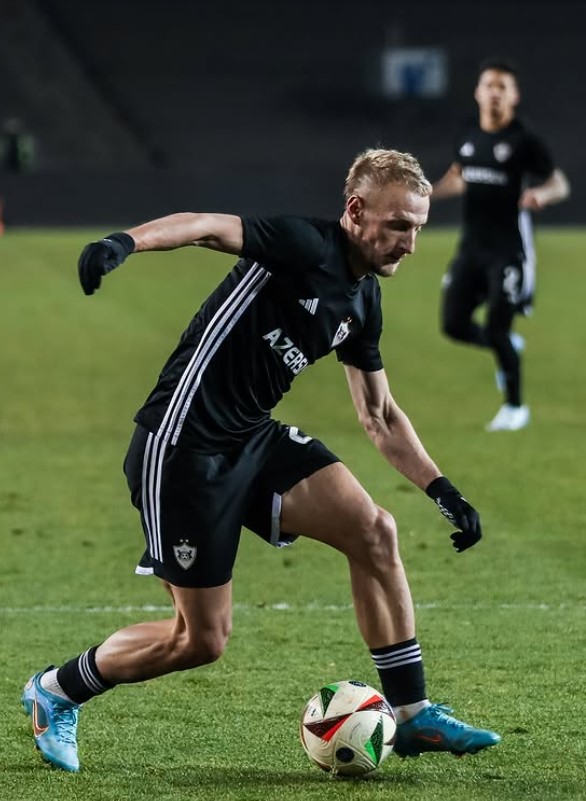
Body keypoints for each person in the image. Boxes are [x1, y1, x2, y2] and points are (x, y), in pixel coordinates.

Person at [22, 148, 500, 773]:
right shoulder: (303, 244)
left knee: (374, 531)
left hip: (253, 438)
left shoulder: (363, 302)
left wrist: (442, 489)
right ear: (356, 210)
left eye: (418, 227)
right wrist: (123, 243)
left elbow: (380, 415)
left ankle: (412, 716)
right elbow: (204, 226)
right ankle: (56, 690)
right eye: (398, 225)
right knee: (199, 640)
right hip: (182, 448)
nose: (410, 243)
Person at [432, 59, 570, 431]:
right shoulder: (468, 135)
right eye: (489, 85)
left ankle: (515, 408)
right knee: (453, 325)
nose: (494, 92)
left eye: (502, 87)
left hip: (508, 251)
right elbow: (459, 177)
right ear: (477, 92)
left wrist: (542, 194)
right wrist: (427, 193)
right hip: (470, 248)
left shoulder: (524, 140)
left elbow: (559, 183)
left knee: (497, 327)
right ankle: (508, 345)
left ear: (514, 96)